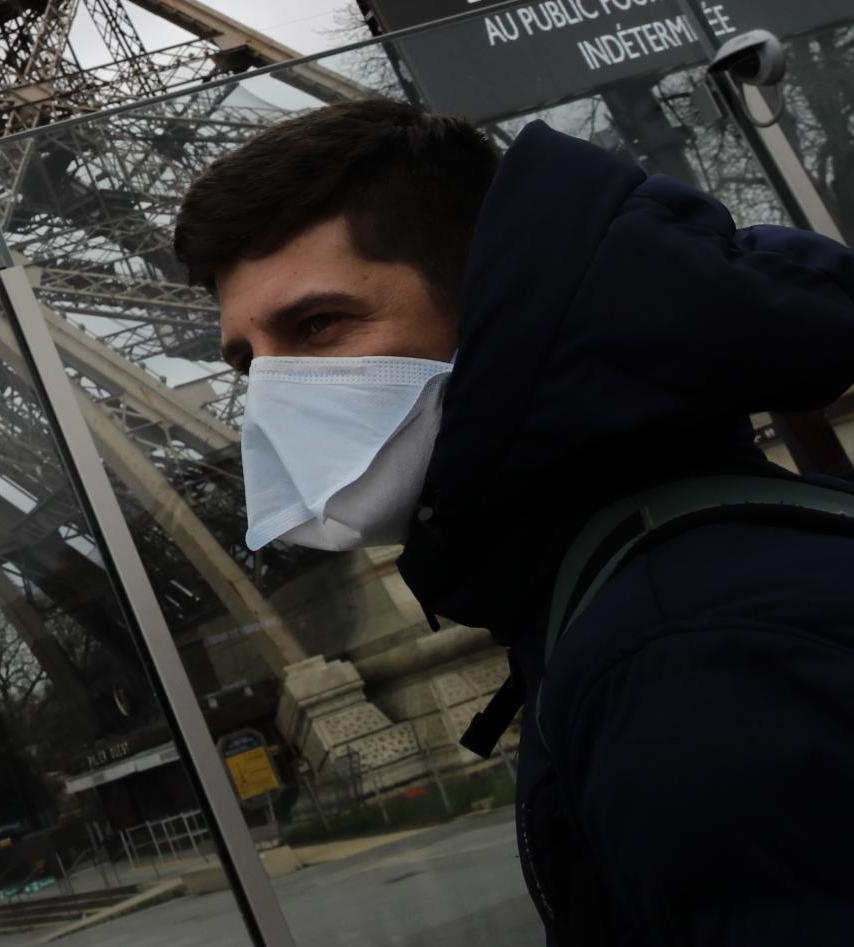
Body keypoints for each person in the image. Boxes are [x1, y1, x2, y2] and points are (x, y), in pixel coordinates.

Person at [170, 98, 854, 944]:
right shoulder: (657, 565)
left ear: (487, 302)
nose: (273, 403)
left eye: (318, 325)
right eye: (247, 364)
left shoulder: (685, 654)